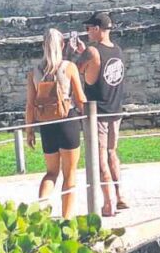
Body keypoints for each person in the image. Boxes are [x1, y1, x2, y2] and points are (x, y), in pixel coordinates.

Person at [25, 28, 87, 218]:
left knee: (51, 173)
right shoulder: (69, 67)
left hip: (46, 124)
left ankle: (41, 210)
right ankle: (66, 218)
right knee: (70, 174)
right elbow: (80, 99)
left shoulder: (34, 72)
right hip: (67, 121)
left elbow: (30, 105)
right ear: (62, 45)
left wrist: (29, 130)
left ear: (43, 45)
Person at [74, 11, 128, 217]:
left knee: (99, 158)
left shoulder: (92, 51)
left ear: (97, 29)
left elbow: (77, 70)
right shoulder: (118, 50)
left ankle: (108, 203)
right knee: (112, 153)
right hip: (116, 109)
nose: (87, 32)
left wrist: (77, 52)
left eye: (89, 28)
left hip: (98, 112)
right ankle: (120, 195)